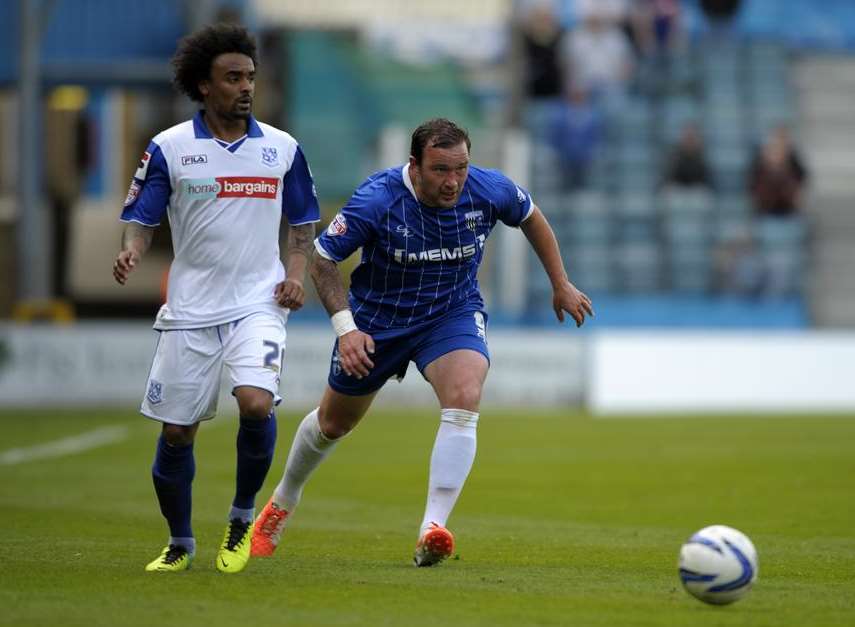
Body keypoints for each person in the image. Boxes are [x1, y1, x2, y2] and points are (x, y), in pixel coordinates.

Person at [250, 118, 593, 567]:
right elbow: (323, 260)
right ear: (414, 165)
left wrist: (560, 283)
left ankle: (432, 528)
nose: (453, 182)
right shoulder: (377, 200)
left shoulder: (488, 189)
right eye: (440, 170)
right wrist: (346, 329)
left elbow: (530, 216)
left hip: (450, 314)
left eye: (461, 169)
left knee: (466, 393)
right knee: (334, 424)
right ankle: (281, 502)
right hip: (377, 322)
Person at [112, 23, 320, 574]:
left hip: (259, 300)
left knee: (255, 402)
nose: (246, 87)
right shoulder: (170, 147)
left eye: (250, 76)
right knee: (178, 431)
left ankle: (240, 515)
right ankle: (180, 542)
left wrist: (295, 275)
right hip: (191, 308)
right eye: (232, 78)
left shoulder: (283, 149)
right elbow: (141, 218)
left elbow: (302, 227)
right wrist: (132, 249)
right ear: (204, 86)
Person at [662, 122, 713, 190]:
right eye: (687, 136)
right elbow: (669, 177)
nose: (689, 139)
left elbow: (706, 180)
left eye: (692, 137)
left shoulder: (701, 155)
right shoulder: (674, 155)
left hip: (696, 192)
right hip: (677, 191)